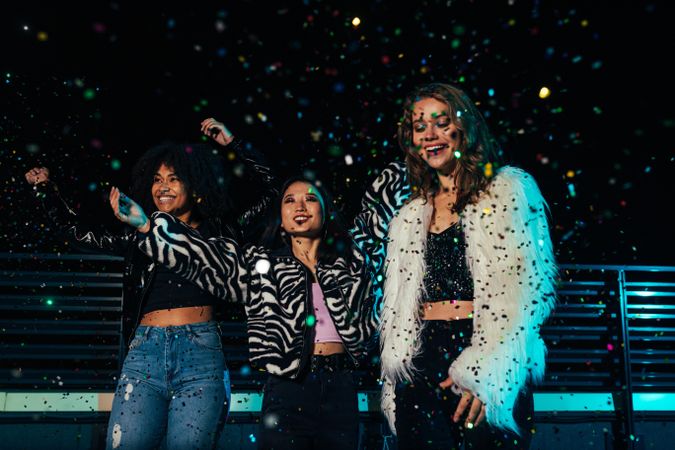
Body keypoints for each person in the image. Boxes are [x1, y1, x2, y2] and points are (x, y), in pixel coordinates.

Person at [25, 120, 274, 450]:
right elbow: (77, 234)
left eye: (173, 178)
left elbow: (275, 191)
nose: (163, 187)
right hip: (144, 354)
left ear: (196, 185)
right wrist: (45, 190)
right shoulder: (140, 233)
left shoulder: (222, 229)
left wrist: (235, 144)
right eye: (157, 179)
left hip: (200, 356)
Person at [111, 169, 391, 450]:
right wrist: (148, 227)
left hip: (340, 387)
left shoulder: (351, 262)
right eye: (289, 200)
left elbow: (380, 211)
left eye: (310, 199)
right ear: (280, 214)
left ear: (325, 209)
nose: (300, 207)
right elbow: (206, 259)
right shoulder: (261, 265)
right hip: (287, 388)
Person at [366, 82, 557, 449]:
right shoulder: (408, 216)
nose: (430, 135)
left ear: (464, 127)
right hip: (420, 363)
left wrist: (489, 372)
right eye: (419, 127)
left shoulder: (507, 193)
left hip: (486, 351)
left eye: (441, 122)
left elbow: (526, 294)